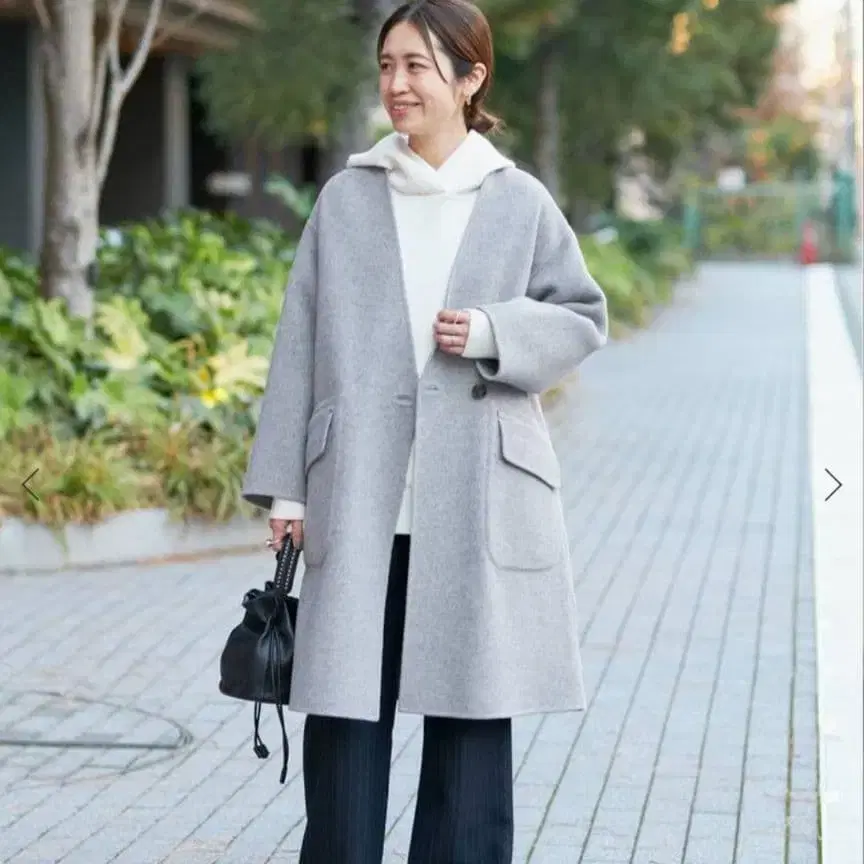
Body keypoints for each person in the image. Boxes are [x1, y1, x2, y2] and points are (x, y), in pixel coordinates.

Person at [241, 1, 608, 861]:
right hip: (359, 495)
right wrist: (287, 488)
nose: (396, 84)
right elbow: (299, 342)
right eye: (387, 65)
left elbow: (582, 316)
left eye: (417, 66)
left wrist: (493, 333)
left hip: (476, 497)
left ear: (471, 79)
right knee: (344, 724)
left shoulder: (516, 199)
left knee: (471, 726)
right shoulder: (348, 198)